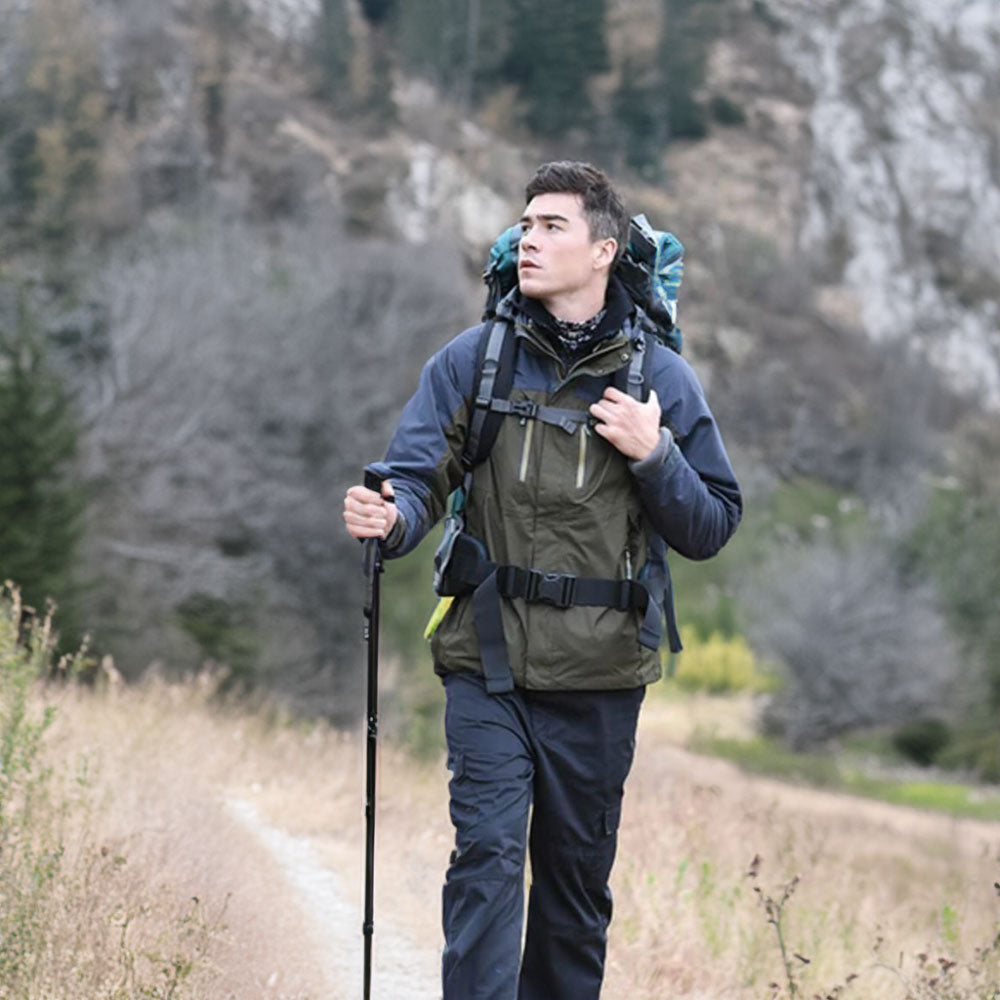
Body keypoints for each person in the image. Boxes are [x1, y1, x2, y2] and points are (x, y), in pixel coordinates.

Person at [343, 161, 742, 1000]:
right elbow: (417, 477)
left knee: (571, 895)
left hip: (601, 682)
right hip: (488, 666)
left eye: (552, 226)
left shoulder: (658, 381)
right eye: (525, 225)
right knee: (485, 863)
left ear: (603, 251)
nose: (529, 239)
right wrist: (394, 518)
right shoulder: (474, 361)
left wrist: (655, 454)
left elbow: (711, 525)